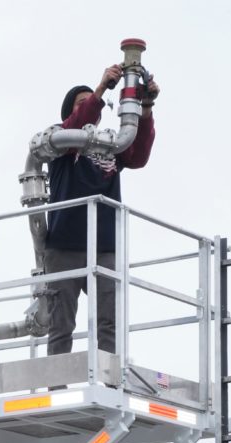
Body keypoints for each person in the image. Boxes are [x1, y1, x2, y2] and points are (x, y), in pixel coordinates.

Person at [44, 65, 159, 358]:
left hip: (104, 246)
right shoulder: (58, 141)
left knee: (109, 320)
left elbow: (139, 154)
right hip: (64, 247)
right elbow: (77, 123)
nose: (89, 106)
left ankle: (109, 379)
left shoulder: (109, 146)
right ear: (69, 114)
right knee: (62, 323)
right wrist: (100, 89)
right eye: (80, 103)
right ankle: (57, 386)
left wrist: (145, 106)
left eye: (90, 102)